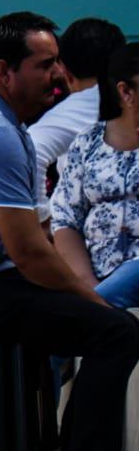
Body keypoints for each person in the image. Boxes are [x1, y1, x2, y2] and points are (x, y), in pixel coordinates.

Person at [0, 12, 139, 451]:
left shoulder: (11, 127)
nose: (60, 75)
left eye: (59, 61)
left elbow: (42, 227)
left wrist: (83, 296)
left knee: (103, 327)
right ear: (4, 71)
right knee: (115, 331)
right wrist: (91, 298)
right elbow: (30, 253)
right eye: (45, 65)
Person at [52, 41, 139, 307]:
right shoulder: (87, 142)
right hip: (100, 282)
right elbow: (66, 218)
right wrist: (89, 285)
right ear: (125, 92)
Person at [30, 18, 124, 219]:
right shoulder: (127, 100)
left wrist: (45, 219)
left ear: (65, 71)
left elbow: (30, 150)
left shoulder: (82, 104)